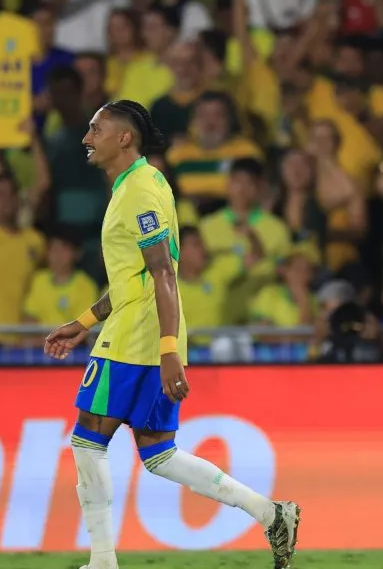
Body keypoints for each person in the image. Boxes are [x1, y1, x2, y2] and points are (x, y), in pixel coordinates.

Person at [41, 100, 299, 569]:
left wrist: (166, 353)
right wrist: (82, 322)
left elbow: (162, 273)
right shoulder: (146, 180)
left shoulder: (139, 189)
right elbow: (136, 276)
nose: (86, 137)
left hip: (137, 337)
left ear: (124, 138)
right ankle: (270, 513)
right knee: (159, 452)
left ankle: (102, 560)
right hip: (146, 330)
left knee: (87, 439)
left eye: (96, 128)